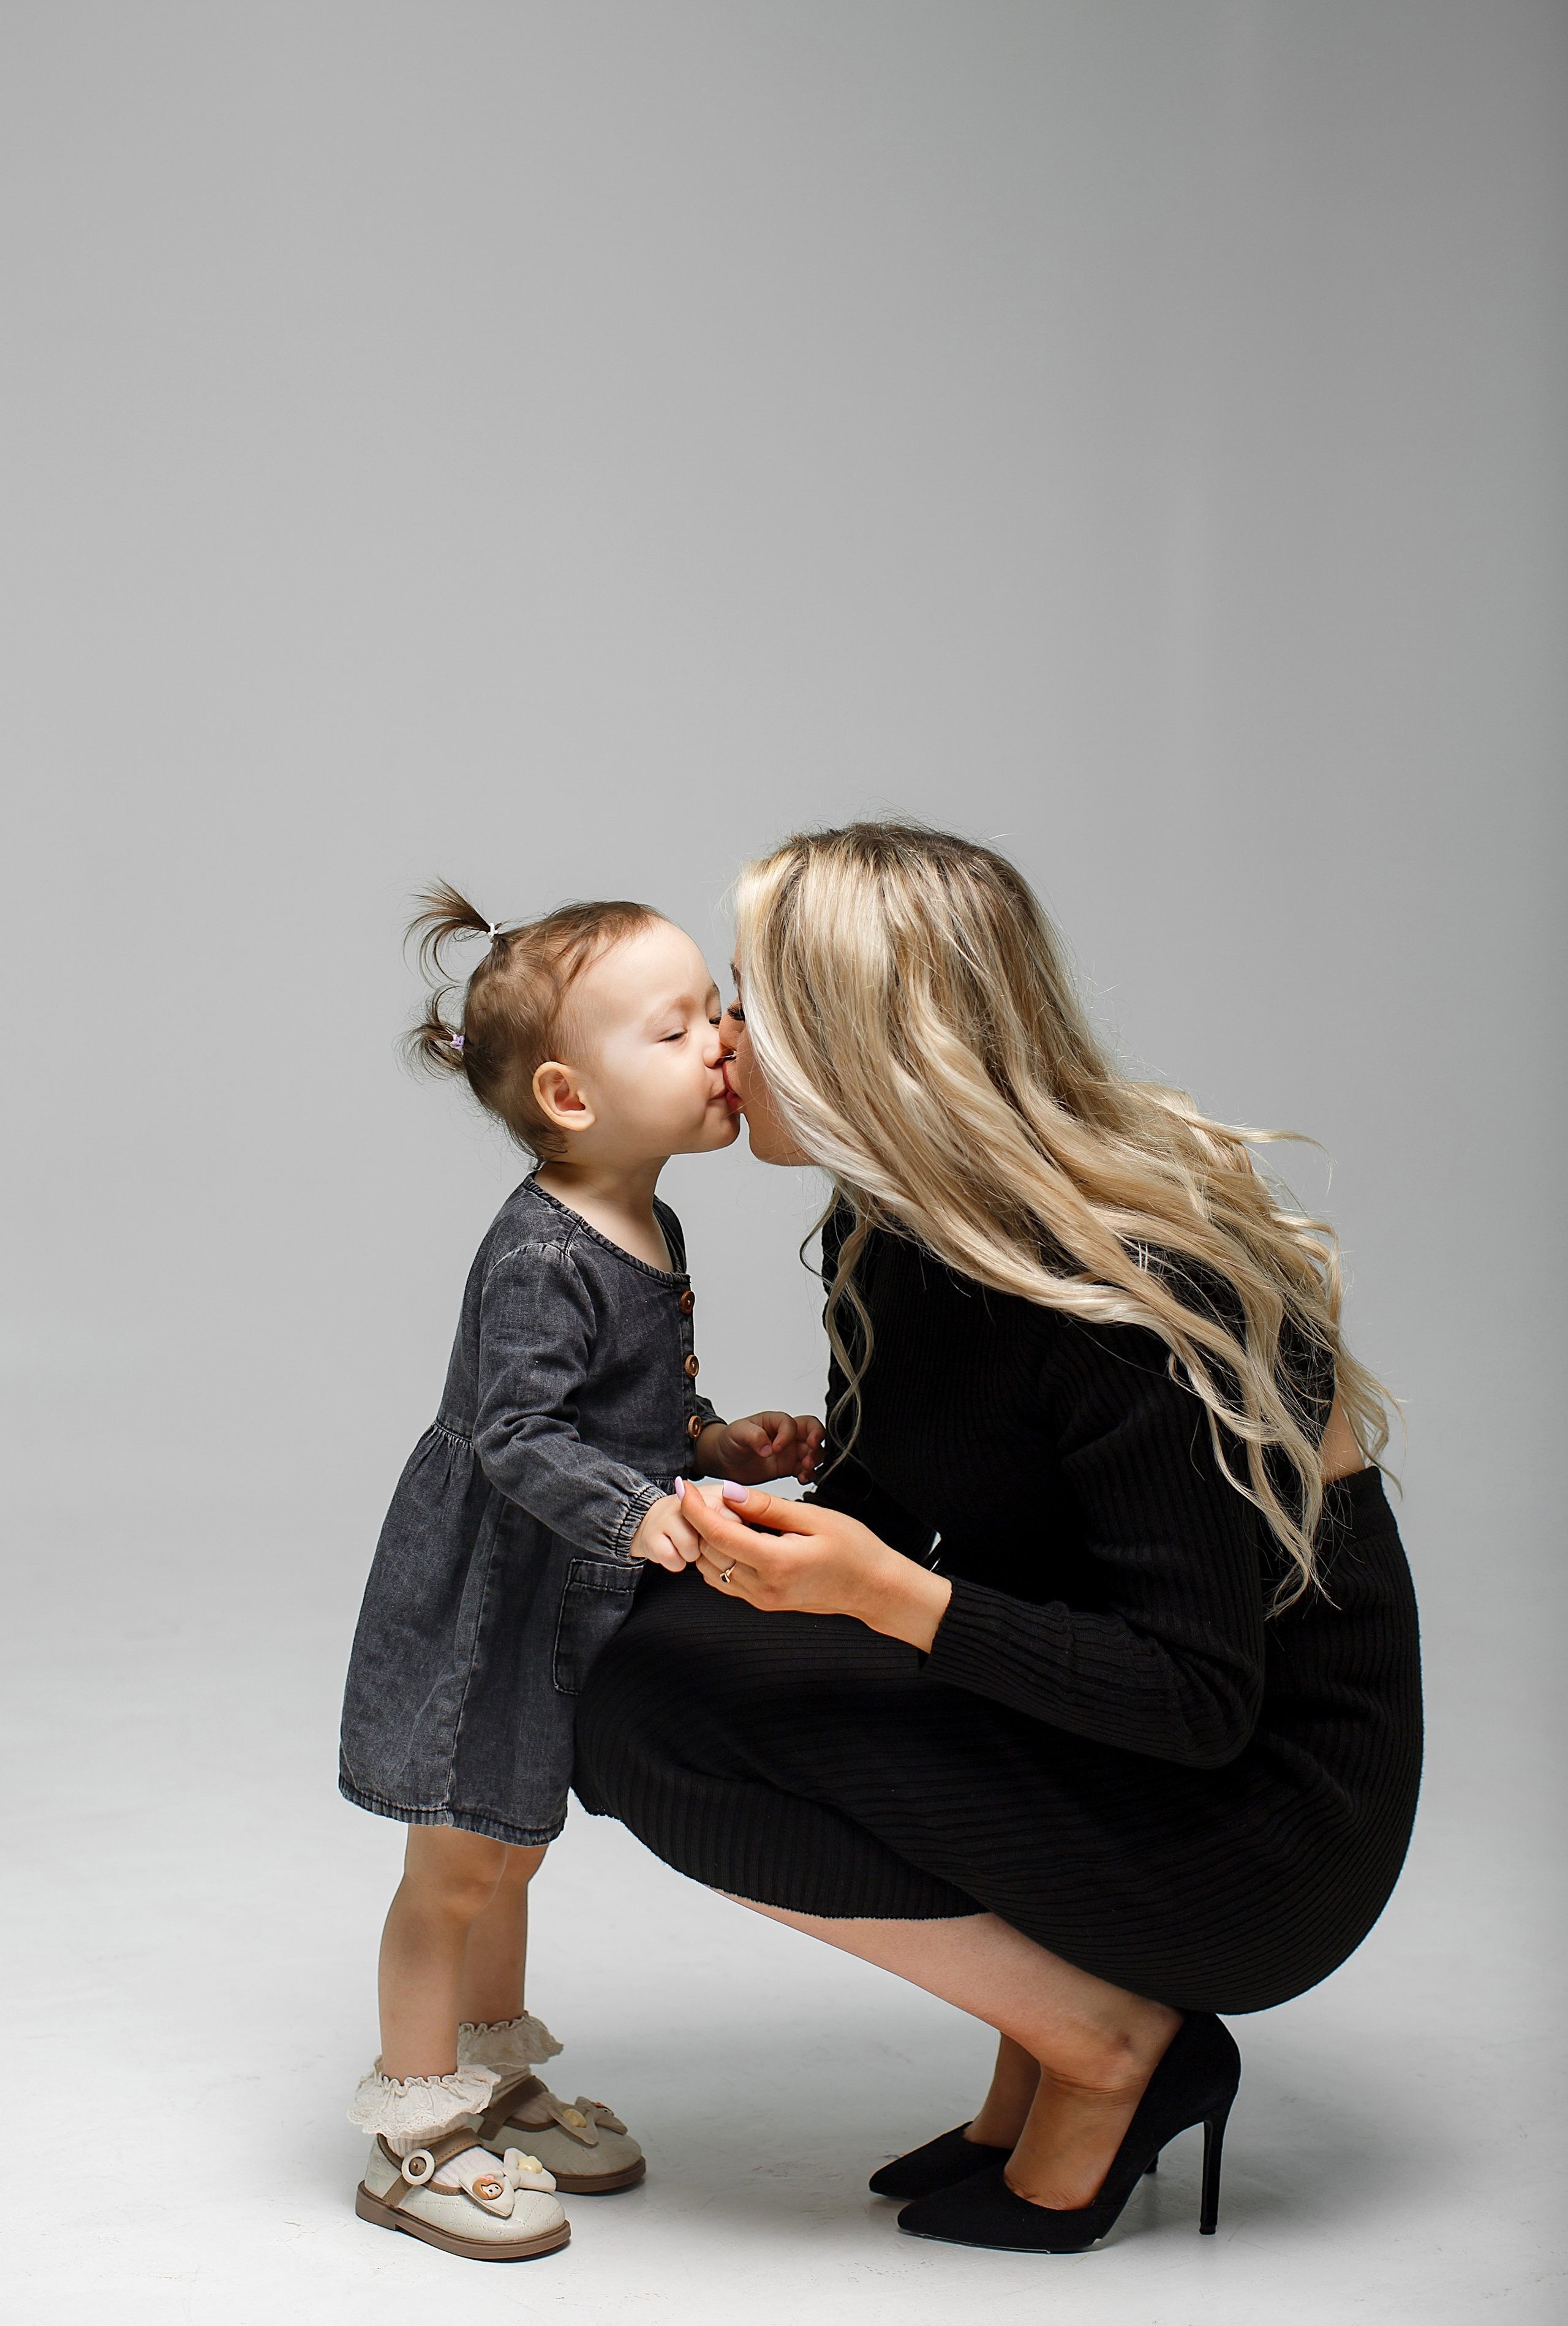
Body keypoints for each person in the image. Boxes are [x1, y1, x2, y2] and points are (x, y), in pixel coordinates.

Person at [574, 820, 1422, 2256]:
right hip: (1125, 1747)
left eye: (747, 1003)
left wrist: (885, 1594)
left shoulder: (1132, 1292)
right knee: (651, 1663)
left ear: (854, 1042)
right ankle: (1037, 2052)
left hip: (1256, 1835)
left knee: (659, 1715)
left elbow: (1196, 1698)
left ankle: (1108, 2045)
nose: (720, 1040)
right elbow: (949, 1507)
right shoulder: (897, 1229)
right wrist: (782, 1506)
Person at [338, 885, 823, 2264]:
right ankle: (412, 2138)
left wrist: (712, 1443)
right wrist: (645, 1515)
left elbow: (621, 1407)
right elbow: (518, 1436)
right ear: (568, 1094)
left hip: (562, 1586)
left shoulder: (644, 1220)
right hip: (491, 1596)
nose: (723, 1042)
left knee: (516, 1853)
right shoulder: (543, 1248)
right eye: (678, 1029)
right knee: (453, 1864)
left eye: (713, 1013)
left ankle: (489, 2077)